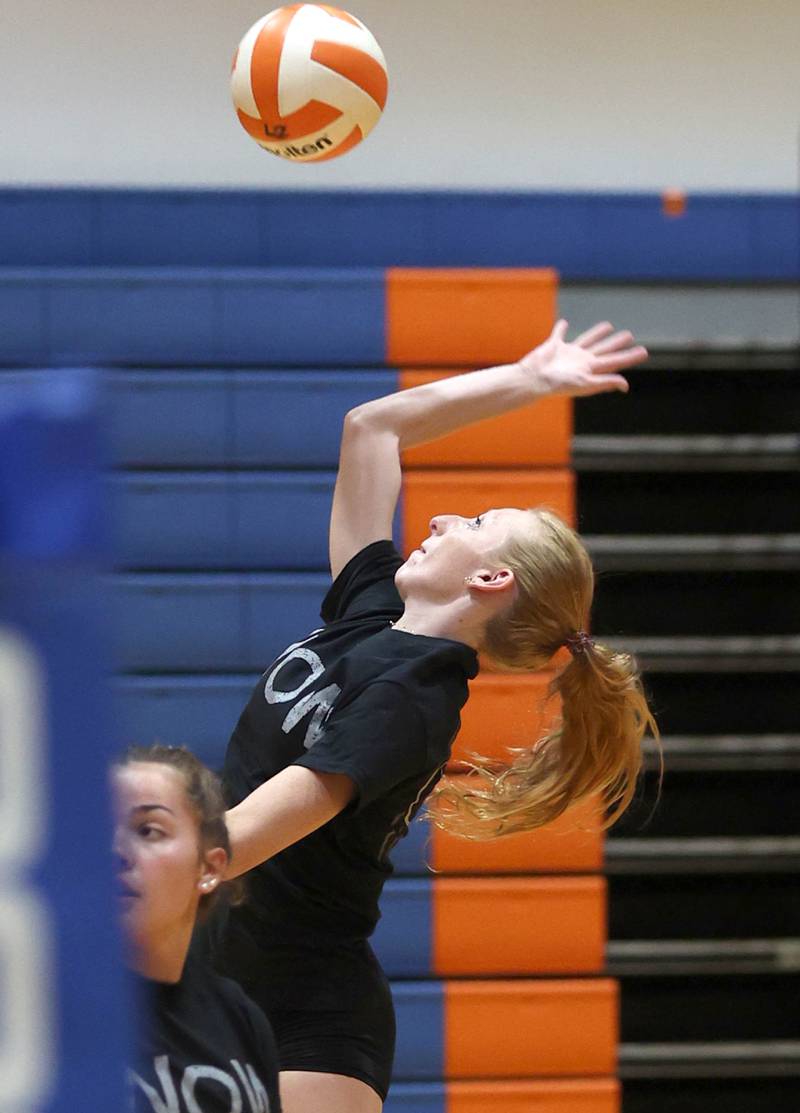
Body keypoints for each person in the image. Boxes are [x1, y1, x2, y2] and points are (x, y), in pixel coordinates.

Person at [213, 319, 659, 1113]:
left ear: (489, 577)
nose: (443, 521)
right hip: (220, 981)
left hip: (306, 1021)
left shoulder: (415, 697)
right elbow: (372, 427)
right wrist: (531, 378)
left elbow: (253, 833)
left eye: (476, 522)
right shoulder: (373, 615)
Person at [113, 744, 282, 1112]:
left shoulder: (240, 1019)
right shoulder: (49, 1015)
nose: (116, 850)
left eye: (148, 830)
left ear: (209, 869)